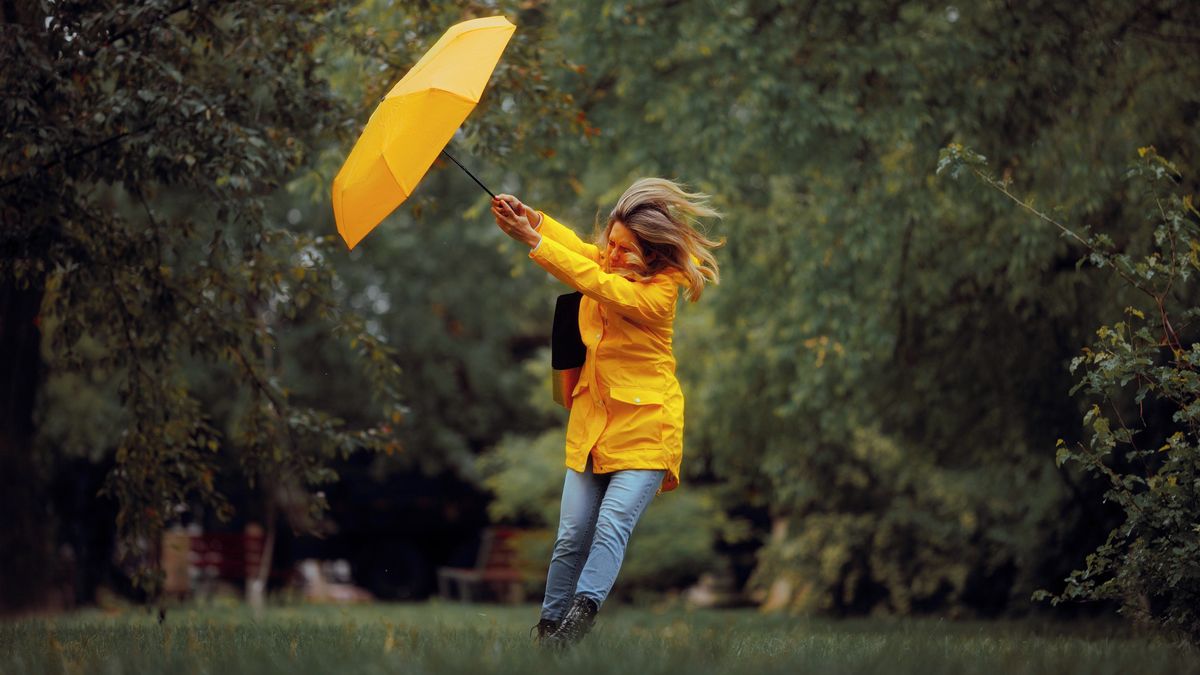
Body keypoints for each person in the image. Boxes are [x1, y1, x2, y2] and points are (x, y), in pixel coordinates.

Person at [490, 178, 723, 648]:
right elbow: (577, 250)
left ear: (650, 253)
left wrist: (533, 243)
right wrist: (532, 218)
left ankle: (582, 615)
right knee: (571, 535)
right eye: (610, 244)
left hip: (645, 429)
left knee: (611, 524)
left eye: (622, 249)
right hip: (593, 425)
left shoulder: (657, 294)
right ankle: (549, 632)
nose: (610, 254)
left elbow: (590, 280)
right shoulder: (610, 262)